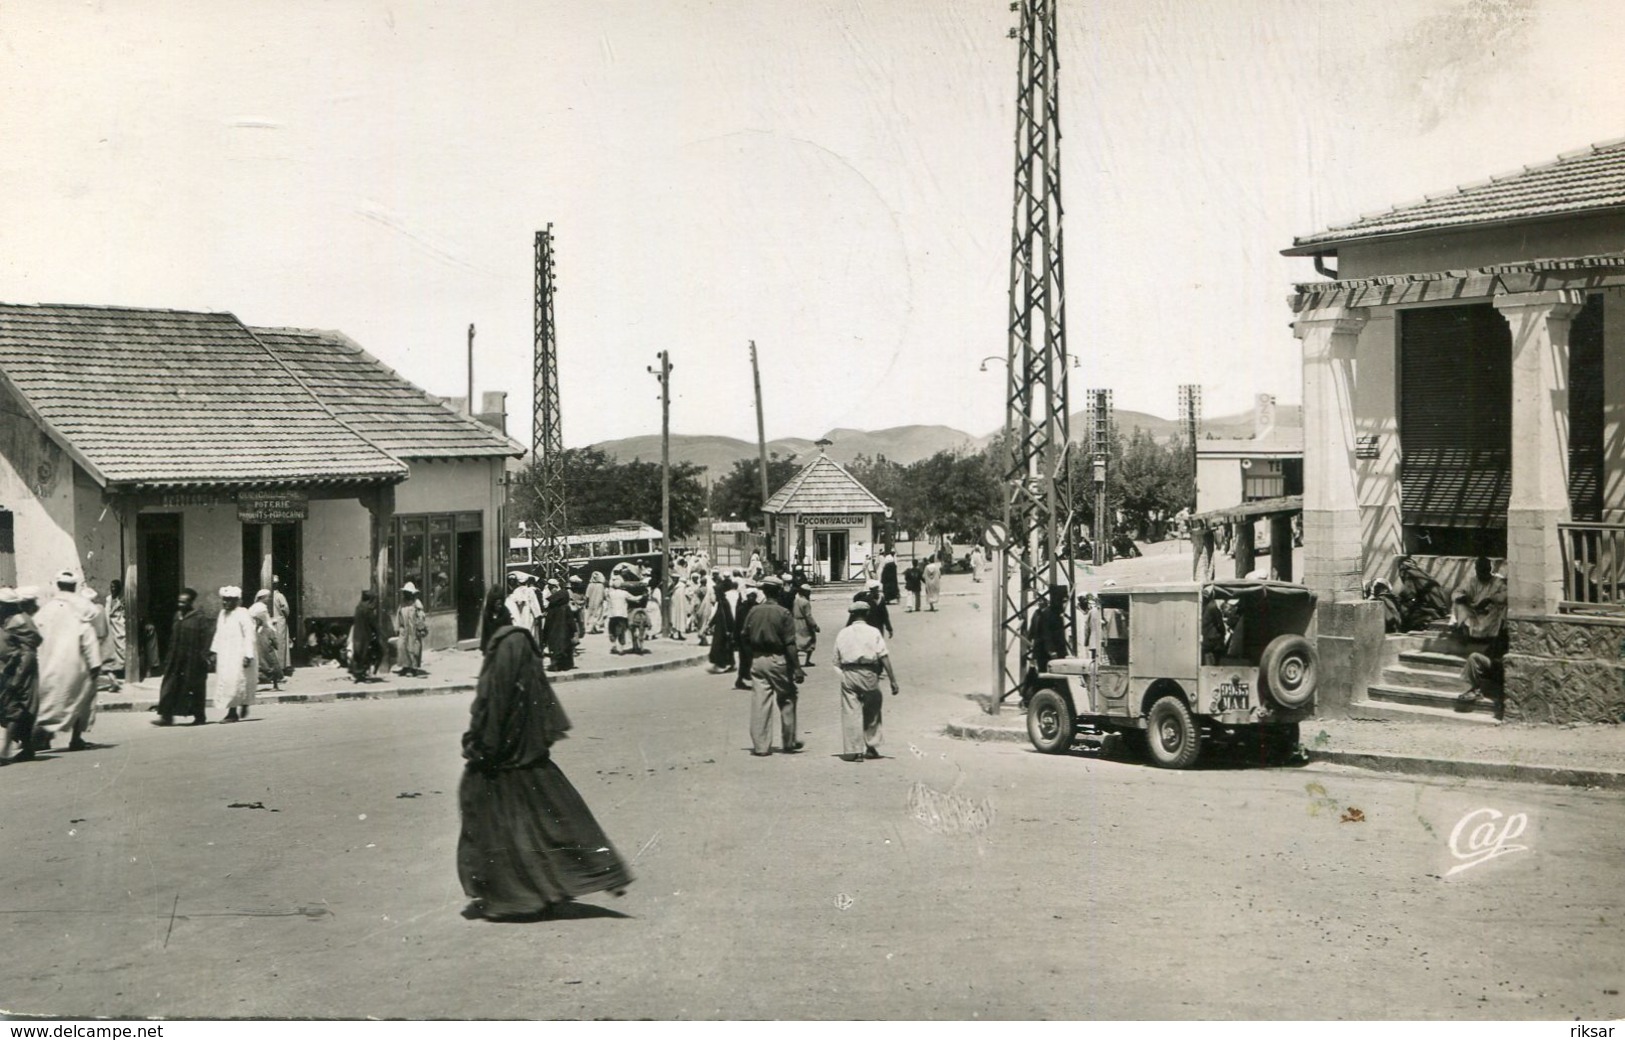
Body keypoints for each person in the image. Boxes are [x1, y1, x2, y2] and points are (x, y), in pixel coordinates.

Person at [457, 617, 632, 921]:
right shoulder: (525, 654)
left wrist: (481, 747)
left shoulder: (503, 654)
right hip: (531, 761)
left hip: (500, 766)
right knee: (555, 828)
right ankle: (573, 881)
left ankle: (516, 894)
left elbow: (493, 709)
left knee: (504, 832)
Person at [33, 571, 103, 751]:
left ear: (58, 585)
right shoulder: (82, 608)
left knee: (49, 701)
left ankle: (43, 736)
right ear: (74, 586)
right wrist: (95, 664)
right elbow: (88, 637)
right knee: (81, 700)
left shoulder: (46, 610)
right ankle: (76, 739)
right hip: (76, 665)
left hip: (49, 664)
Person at [741, 575, 805, 756]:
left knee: (760, 702)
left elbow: (744, 636)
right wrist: (798, 668)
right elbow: (790, 644)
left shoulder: (754, 611)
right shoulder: (783, 613)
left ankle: (761, 746)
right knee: (787, 697)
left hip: (757, 659)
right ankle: (789, 741)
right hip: (778, 659)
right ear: (778, 591)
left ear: (763, 591)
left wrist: (749, 659)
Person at [833, 601, 900, 762]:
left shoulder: (843, 633)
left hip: (849, 672)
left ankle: (855, 751)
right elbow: (883, 656)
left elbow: (836, 660)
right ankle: (871, 746)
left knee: (851, 712)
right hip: (869, 672)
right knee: (872, 710)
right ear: (867, 614)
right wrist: (892, 680)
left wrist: (844, 676)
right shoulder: (873, 632)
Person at [156, 588, 212, 726]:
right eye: (179, 601)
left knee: (195, 688)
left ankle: (199, 716)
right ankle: (166, 716)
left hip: (193, 660)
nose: (181, 604)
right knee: (169, 685)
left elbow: (206, 639)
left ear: (190, 602)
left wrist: (205, 656)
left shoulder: (199, 618)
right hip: (175, 658)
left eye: (184, 602)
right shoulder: (177, 616)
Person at [0, 587, 43, 762]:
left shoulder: (18, 621)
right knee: (16, 709)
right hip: (11, 668)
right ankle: (28, 747)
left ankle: (5, 752)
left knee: (15, 709)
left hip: (20, 670)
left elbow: (28, 651)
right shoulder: (10, 620)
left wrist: (18, 676)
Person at [1018, 583, 1071, 706]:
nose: (1065, 604)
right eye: (1063, 601)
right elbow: (1045, 635)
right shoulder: (1046, 614)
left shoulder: (1057, 614)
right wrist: (1052, 652)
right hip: (1045, 654)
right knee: (1041, 678)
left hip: (1053, 653)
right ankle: (1030, 700)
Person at [211, 586, 257, 723]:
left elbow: (249, 635)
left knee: (236, 681)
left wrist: (248, 655)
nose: (225, 603)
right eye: (224, 600)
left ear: (237, 601)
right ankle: (241, 704)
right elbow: (218, 634)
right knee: (227, 682)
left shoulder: (242, 613)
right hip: (225, 654)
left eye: (229, 600)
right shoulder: (222, 614)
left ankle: (232, 713)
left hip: (239, 654)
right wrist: (214, 651)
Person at [1452, 556, 1507, 640]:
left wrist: (1491, 599)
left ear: (1489, 569)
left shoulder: (1497, 581)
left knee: (1501, 610)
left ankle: (1486, 637)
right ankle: (1464, 630)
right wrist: (1463, 597)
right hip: (1474, 612)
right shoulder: (1472, 581)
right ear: (1476, 570)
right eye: (1480, 571)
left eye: (1485, 570)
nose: (1482, 573)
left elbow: (1506, 594)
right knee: (1458, 604)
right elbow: (1456, 593)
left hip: (1489, 613)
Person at [248, 589, 283, 689]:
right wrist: (274, 629)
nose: (268, 599)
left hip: (256, 633)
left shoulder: (254, 607)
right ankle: (275, 682)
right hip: (262, 634)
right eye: (267, 597)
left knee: (261, 659)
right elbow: (267, 622)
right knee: (270, 659)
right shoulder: (262, 608)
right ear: (262, 597)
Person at [349, 588, 383, 683]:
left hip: (357, 635)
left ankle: (357, 673)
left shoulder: (358, 608)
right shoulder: (367, 610)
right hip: (365, 636)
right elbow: (373, 624)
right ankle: (362, 674)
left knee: (358, 654)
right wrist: (378, 632)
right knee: (365, 654)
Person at [395, 582, 429, 677]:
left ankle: (413, 668)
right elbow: (399, 615)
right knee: (402, 647)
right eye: (405, 592)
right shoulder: (402, 603)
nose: (406, 594)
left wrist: (420, 627)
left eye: (408, 592)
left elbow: (421, 616)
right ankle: (405, 667)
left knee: (414, 648)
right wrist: (397, 627)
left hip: (413, 630)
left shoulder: (417, 603)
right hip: (404, 629)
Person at [542, 579, 575, 671]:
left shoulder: (551, 608)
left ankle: (555, 665)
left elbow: (547, 622)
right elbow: (571, 621)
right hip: (565, 633)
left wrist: (544, 635)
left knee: (555, 649)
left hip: (553, 633)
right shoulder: (566, 608)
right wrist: (573, 631)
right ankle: (566, 665)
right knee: (565, 648)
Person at [706, 575, 736, 673]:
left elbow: (728, 617)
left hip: (724, 629)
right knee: (721, 646)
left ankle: (722, 664)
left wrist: (729, 630)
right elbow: (716, 615)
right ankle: (726, 663)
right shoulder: (721, 603)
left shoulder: (724, 603)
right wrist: (710, 624)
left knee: (721, 646)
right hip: (720, 628)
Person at [732, 585, 759, 690]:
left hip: (755, 637)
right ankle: (742, 680)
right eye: (750, 596)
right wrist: (735, 639)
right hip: (744, 638)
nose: (752, 598)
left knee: (752, 660)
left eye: (753, 596)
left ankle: (743, 680)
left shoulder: (758, 608)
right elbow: (737, 624)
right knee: (745, 659)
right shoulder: (742, 609)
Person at [104, 579, 127, 679]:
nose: (112, 589)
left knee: (121, 646)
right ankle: (115, 668)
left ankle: (122, 668)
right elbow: (107, 611)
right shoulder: (108, 599)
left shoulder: (122, 600)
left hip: (119, 625)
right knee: (112, 648)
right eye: (111, 587)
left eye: (115, 587)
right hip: (110, 626)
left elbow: (124, 613)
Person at [792, 583, 819, 667]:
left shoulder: (795, 600)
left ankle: (794, 661)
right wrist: (815, 625)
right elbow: (808, 615)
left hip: (795, 621)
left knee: (797, 641)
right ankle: (807, 661)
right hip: (804, 623)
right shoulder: (806, 602)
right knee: (810, 640)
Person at [479, 583, 511, 653]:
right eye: (497, 604)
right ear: (492, 603)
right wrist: (484, 648)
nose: (499, 606)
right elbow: (485, 632)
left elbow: (510, 631)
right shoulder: (487, 613)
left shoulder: (505, 613)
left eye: (501, 604)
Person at [605, 571, 631, 655]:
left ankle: (614, 646)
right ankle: (621, 649)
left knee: (612, 631)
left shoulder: (610, 593)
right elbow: (633, 598)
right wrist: (642, 597)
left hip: (612, 615)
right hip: (622, 615)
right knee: (622, 631)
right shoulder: (624, 593)